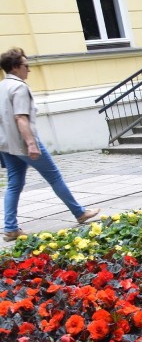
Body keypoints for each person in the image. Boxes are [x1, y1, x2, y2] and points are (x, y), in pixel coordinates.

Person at [0, 48, 99, 242]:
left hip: (5, 144)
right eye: (26, 66)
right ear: (15, 67)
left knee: (14, 183)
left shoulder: (1, 86)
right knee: (54, 176)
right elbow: (21, 117)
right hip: (22, 143)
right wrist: (31, 144)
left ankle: (10, 228)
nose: (29, 70)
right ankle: (80, 213)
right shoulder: (19, 87)